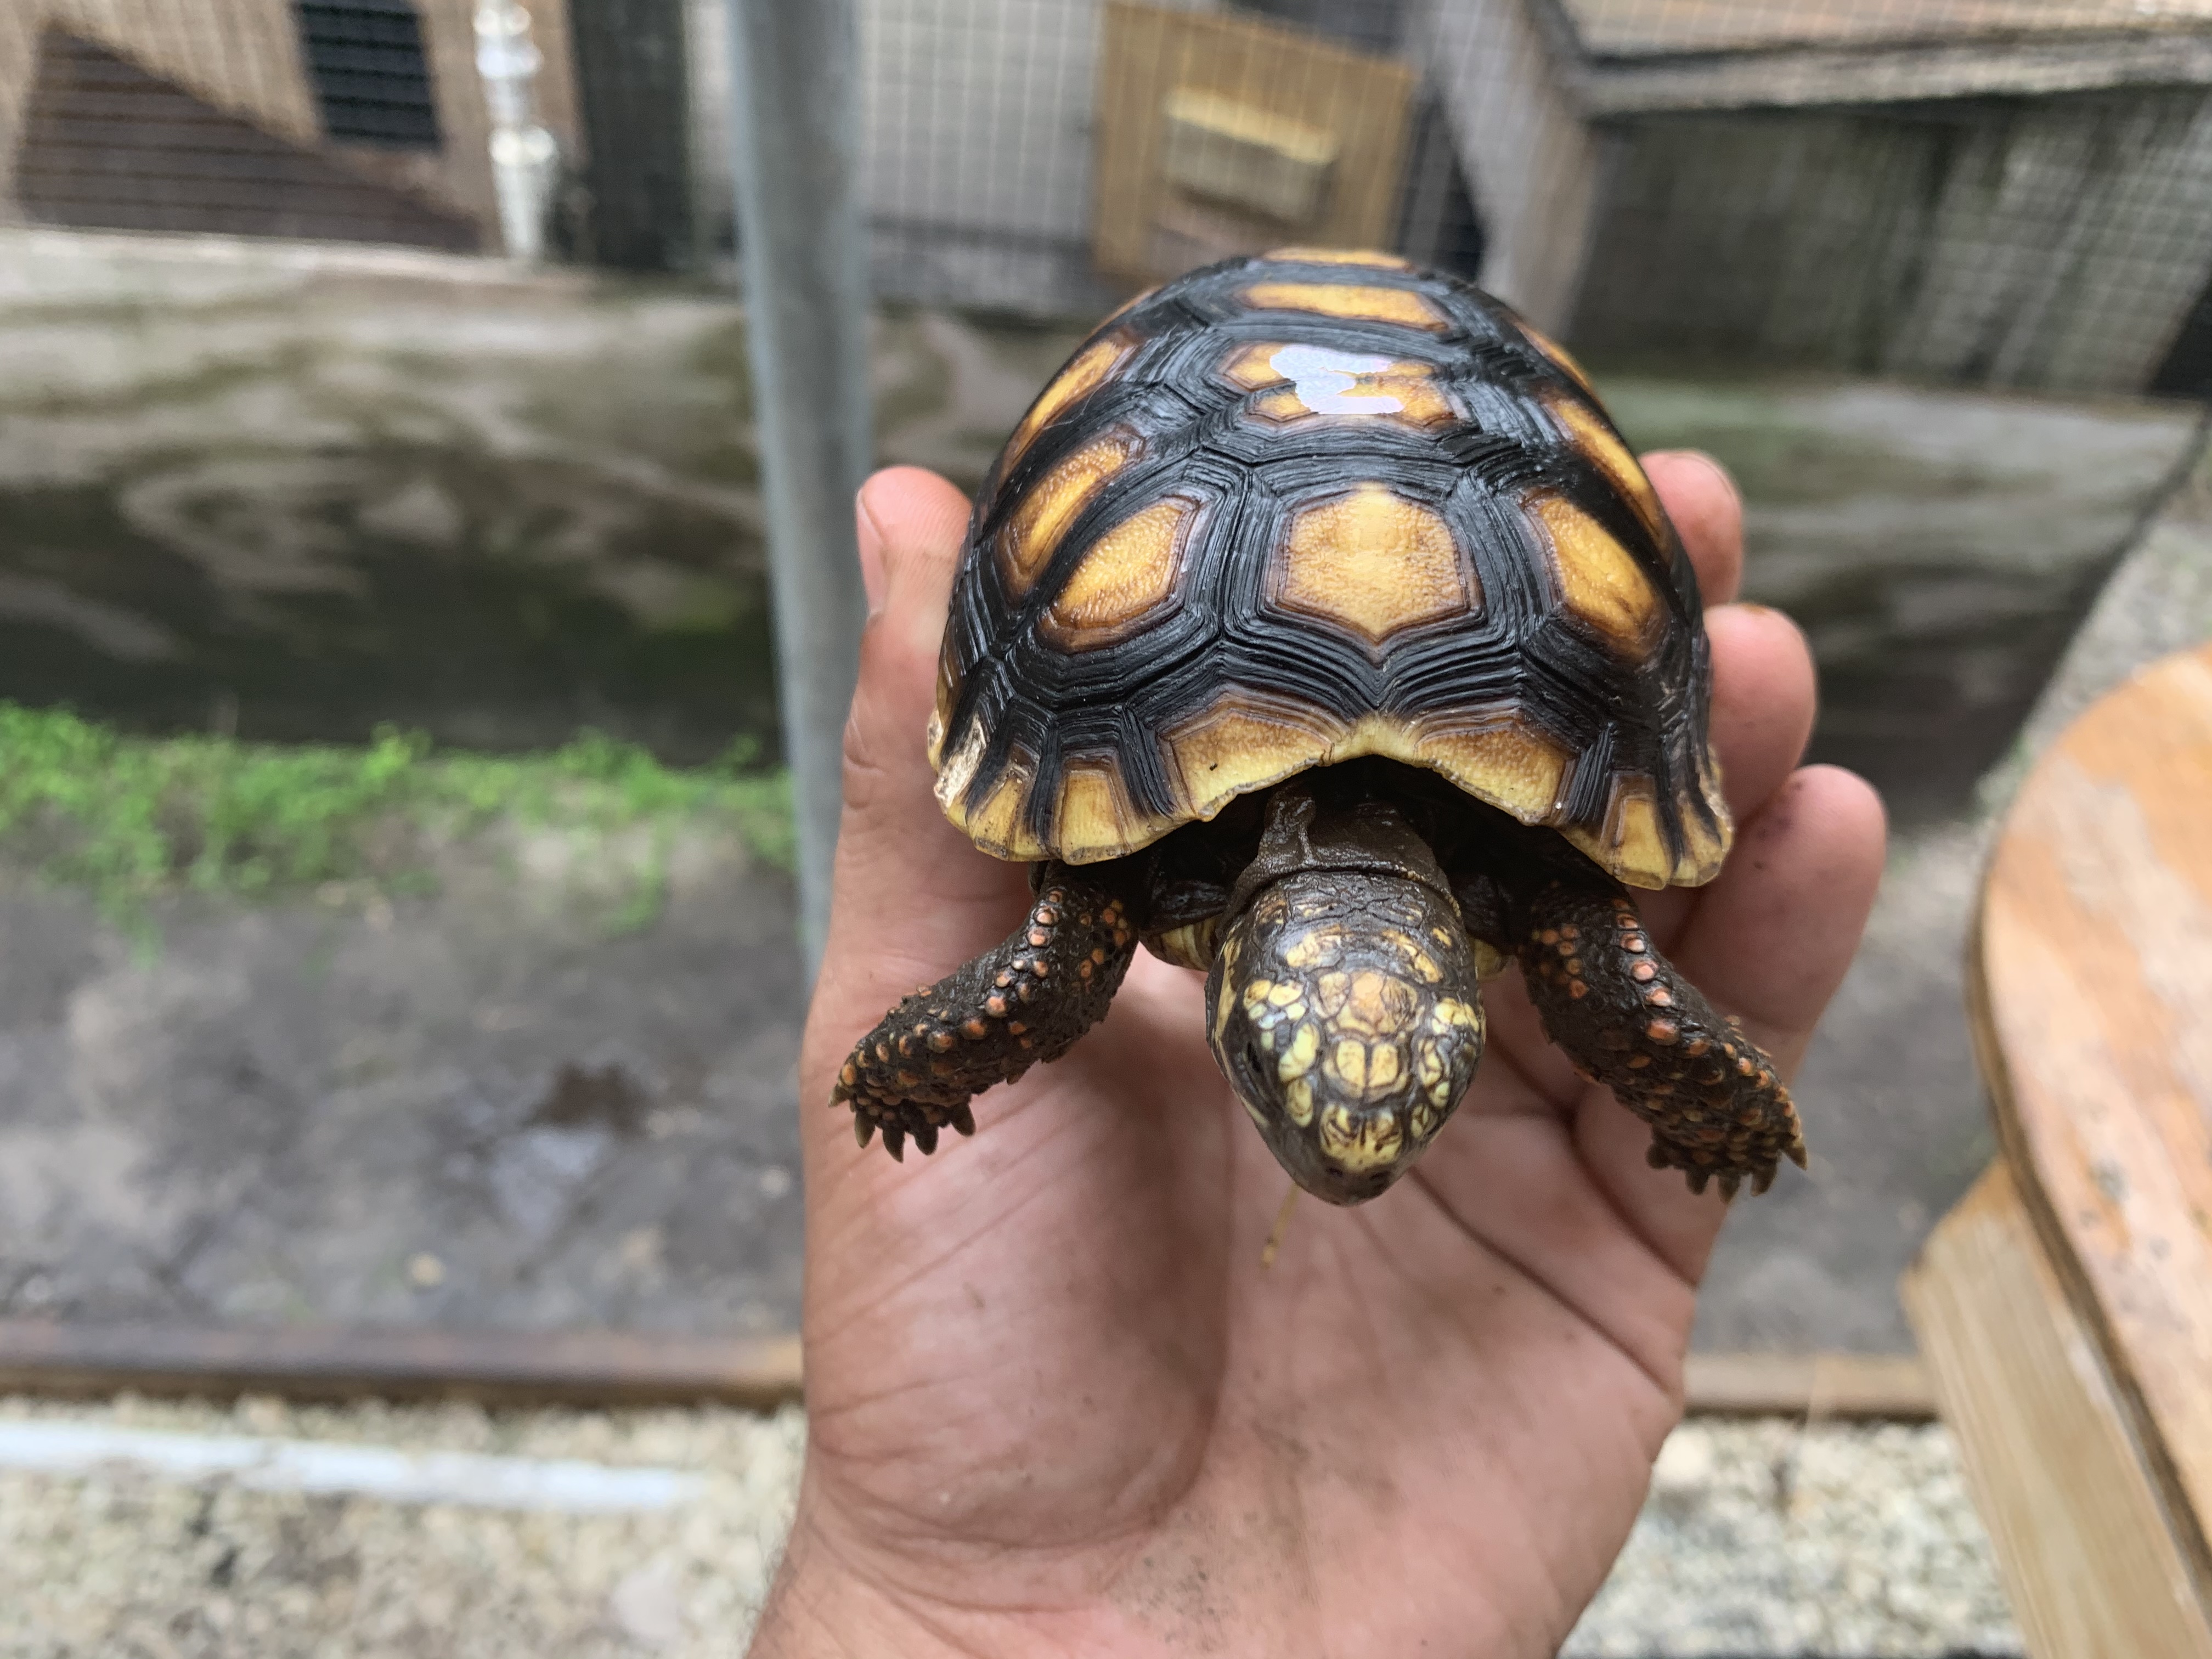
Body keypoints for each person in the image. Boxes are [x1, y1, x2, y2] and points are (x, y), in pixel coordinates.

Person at [749, 455, 1887, 1657]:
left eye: (1433, 1083)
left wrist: (1705, 1091)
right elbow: (1606, 964)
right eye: (1272, 1063)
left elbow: (1615, 974)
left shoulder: (1504, 891)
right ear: (1232, 999)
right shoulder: (1537, 896)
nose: (1351, 1160)